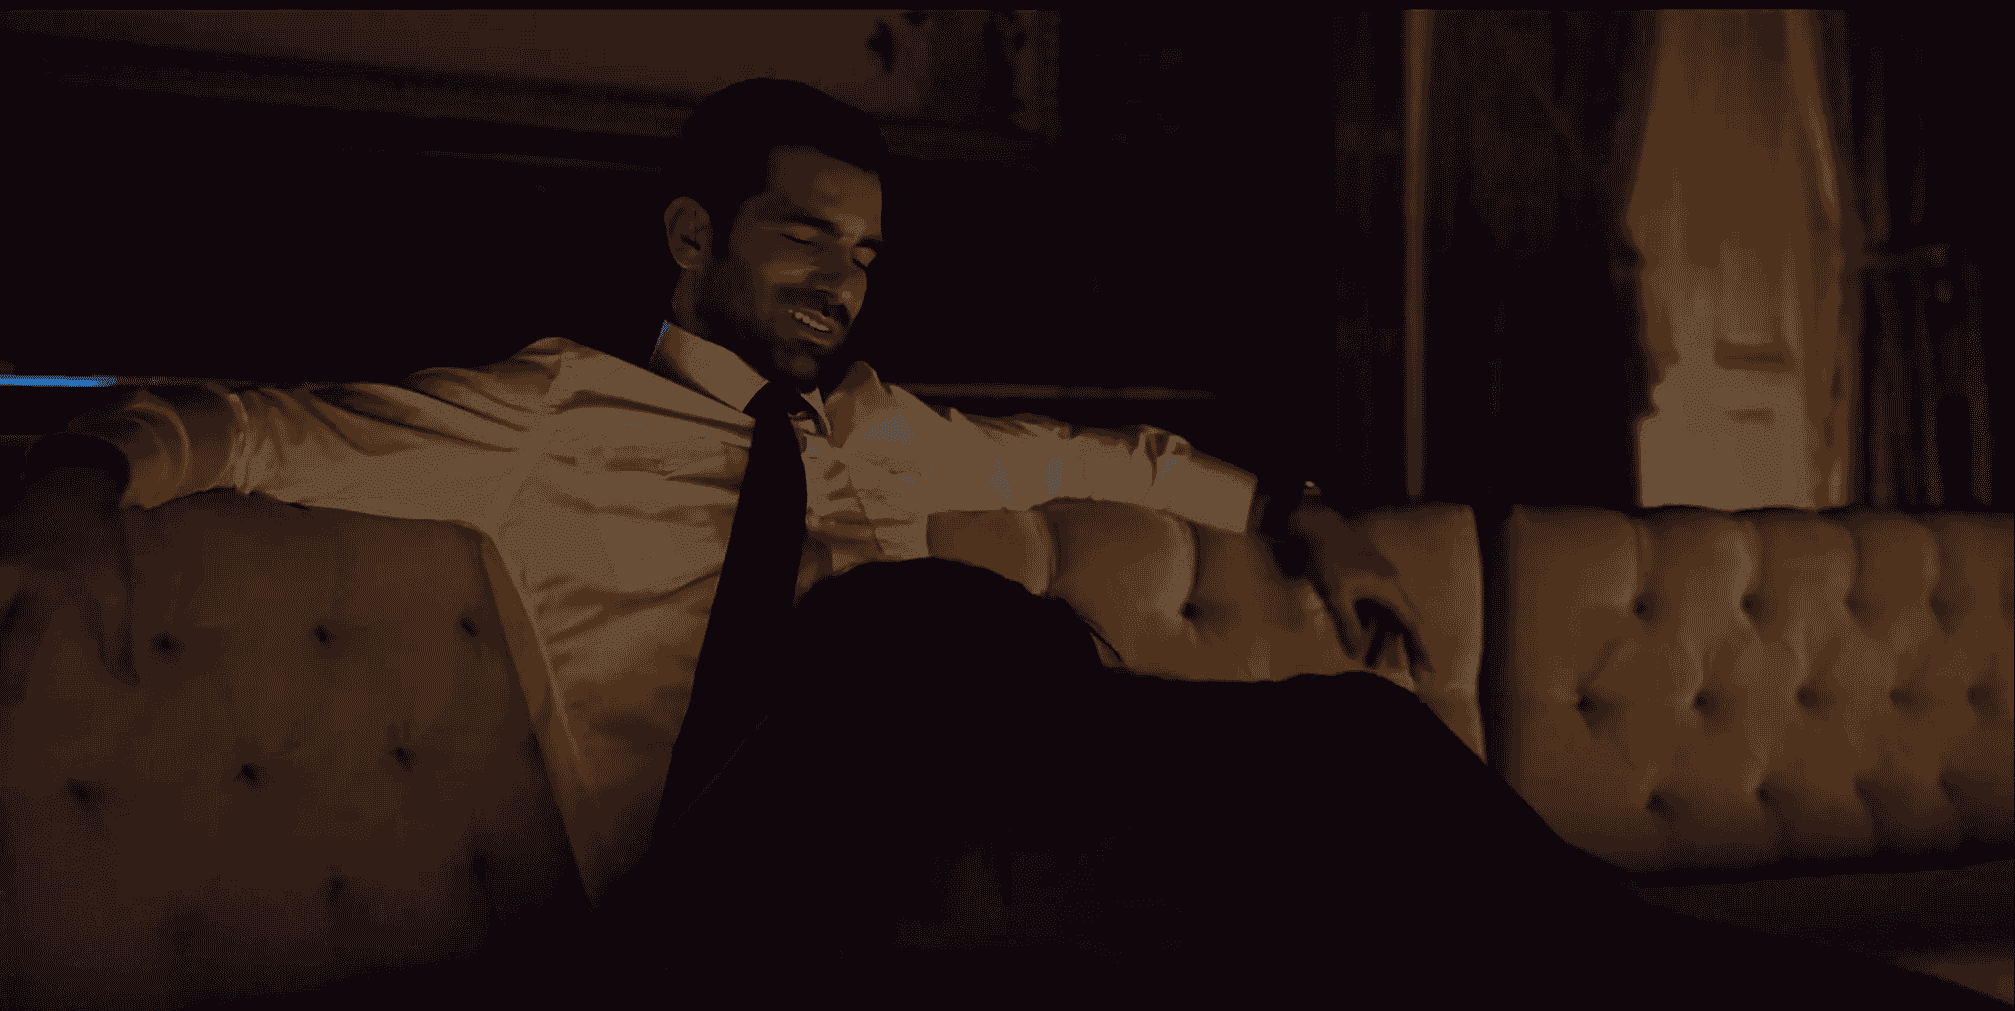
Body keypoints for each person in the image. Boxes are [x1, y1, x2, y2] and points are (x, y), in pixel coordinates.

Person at [2, 79, 2002, 1008]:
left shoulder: (882, 426)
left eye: (866, 252)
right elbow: (258, 423)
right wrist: (77, 481)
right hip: (738, 872)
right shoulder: (552, 412)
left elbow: (1102, 455)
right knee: (910, 632)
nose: (839, 277)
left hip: (992, 833)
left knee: (1351, 743)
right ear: (693, 238)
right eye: (804, 235)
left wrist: (1296, 511)